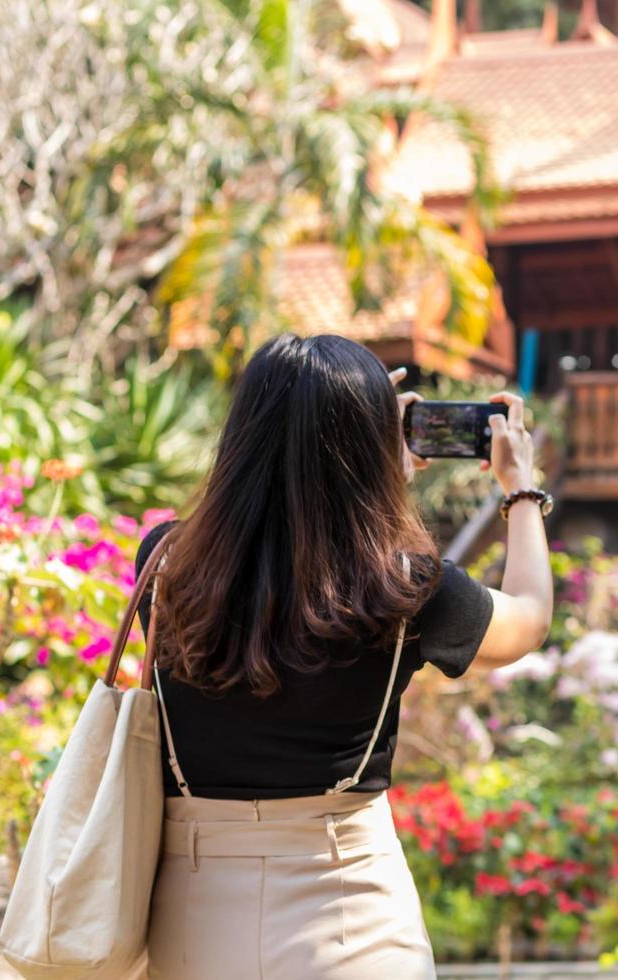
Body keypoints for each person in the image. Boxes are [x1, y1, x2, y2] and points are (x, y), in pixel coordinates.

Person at [136, 334, 553, 979]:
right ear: (371, 451)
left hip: (191, 917)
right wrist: (520, 488)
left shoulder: (164, 563)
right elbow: (528, 616)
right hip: (350, 912)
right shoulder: (409, 589)